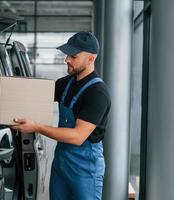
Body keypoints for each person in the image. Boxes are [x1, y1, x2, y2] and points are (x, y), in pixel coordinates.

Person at [12, 32, 111, 200]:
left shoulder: (98, 93)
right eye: (67, 55)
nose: (67, 60)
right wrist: (0, 83)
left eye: (73, 56)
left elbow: (78, 136)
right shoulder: (65, 83)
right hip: (61, 162)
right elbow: (32, 94)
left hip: (85, 168)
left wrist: (36, 127)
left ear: (90, 59)